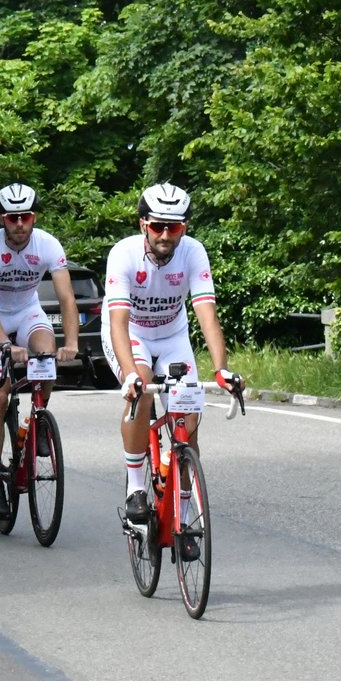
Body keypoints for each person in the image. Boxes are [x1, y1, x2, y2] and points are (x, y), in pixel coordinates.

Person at [104, 183, 244, 527]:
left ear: (185, 228)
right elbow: (118, 323)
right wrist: (130, 374)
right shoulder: (123, 255)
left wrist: (221, 368)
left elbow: (206, 314)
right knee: (144, 387)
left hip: (172, 335)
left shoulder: (193, 253)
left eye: (175, 227)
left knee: (189, 417)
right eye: (158, 226)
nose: (166, 234)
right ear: (143, 225)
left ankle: (182, 514)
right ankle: (136, 488)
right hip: (131, 333)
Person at [0, 183, 79, 518]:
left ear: (34, 216)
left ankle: (35, 423)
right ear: (2, 218)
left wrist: (71, 343)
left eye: (26, 216)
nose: (19, 224)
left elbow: (66, 299)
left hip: (28, 311)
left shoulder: (47, 245)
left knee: (46, 356)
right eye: (12, 217)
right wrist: (6, 344)